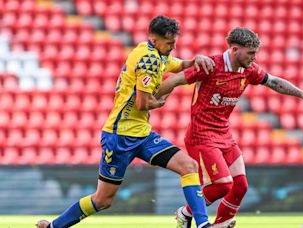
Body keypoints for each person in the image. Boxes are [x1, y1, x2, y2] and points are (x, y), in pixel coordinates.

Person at [37, 15, 216, 228]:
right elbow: (142, 103)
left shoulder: (157, 53)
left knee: (189, 166)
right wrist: (164, 96)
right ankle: (54, 227)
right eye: (170, 43)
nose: (173, 46)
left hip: (141, 134)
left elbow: (180, 64)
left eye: (175, 42)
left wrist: (197, 59)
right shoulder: (147, 59)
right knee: (102, 200)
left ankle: (203, 224)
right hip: (119, 136)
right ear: (154, 39)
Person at [156, 27, 303, 228]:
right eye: (250, 53)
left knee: (240, 186)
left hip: (224, 134)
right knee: (223, 185)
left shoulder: (249, 70)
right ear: (234, 50)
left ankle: (219, 225)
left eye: (255, 53)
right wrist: (152, 99)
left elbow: (274, 82)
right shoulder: (210, 65)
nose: (254, 57)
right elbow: (175, 79)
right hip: (202, 135)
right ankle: (185, 213)